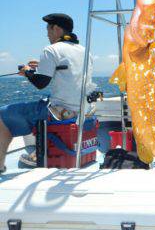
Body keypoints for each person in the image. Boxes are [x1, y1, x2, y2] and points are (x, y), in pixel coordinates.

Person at [0, 13, 95, 170]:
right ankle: (39, 152)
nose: (47, 34)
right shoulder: (85, 51)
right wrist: (42, 65)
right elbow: (69, 71)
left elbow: (40, 83)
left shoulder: (51, 50)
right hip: (82, 111)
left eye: (48, 30)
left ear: (56, 29)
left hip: (59, 112)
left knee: (2, 115)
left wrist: (27, 72)